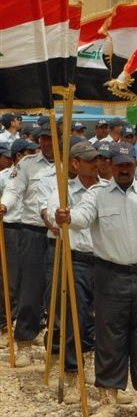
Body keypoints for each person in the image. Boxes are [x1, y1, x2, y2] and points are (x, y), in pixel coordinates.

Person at [55, 142, 137, 417]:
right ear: (109, 166)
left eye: (128, 164)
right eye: (119, 164)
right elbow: (83, 218)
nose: (124, 169)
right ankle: (108, 399)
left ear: (135, 165)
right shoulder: (97, 195)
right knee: (110, 338)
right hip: (110, 275)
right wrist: (67, 217)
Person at [45, 142, 102, 403]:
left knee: (104, 320)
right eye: (89, 160)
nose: (95, 164)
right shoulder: (63, 190)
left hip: (106, 260)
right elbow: (50, 211)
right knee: (74, 318)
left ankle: (95, 368)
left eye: (98, 159)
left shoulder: (107, 190)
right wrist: (56, 217)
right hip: (76, 259)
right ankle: (71, 374)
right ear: (76, 163)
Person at [0, 127, 56, 367]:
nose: (46, 142)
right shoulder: (27, 164)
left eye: (51, 138)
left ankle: (56, 348)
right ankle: (24, 342)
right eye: (43, 138)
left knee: (57, 291)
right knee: (29, 290)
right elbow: (13, 190)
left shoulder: (71, 164)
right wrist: (3, 206)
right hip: (32, 232)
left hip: (61, 235)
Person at [0, 139, 37, 348]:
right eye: (29, 152)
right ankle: (5, 325)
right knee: (10, 282)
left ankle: (31, 325)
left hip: (31, 228)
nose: (33, 155)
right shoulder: (4, 177)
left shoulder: (38, 173)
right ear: (18, 156)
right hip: (11, 229)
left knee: (29, 282)